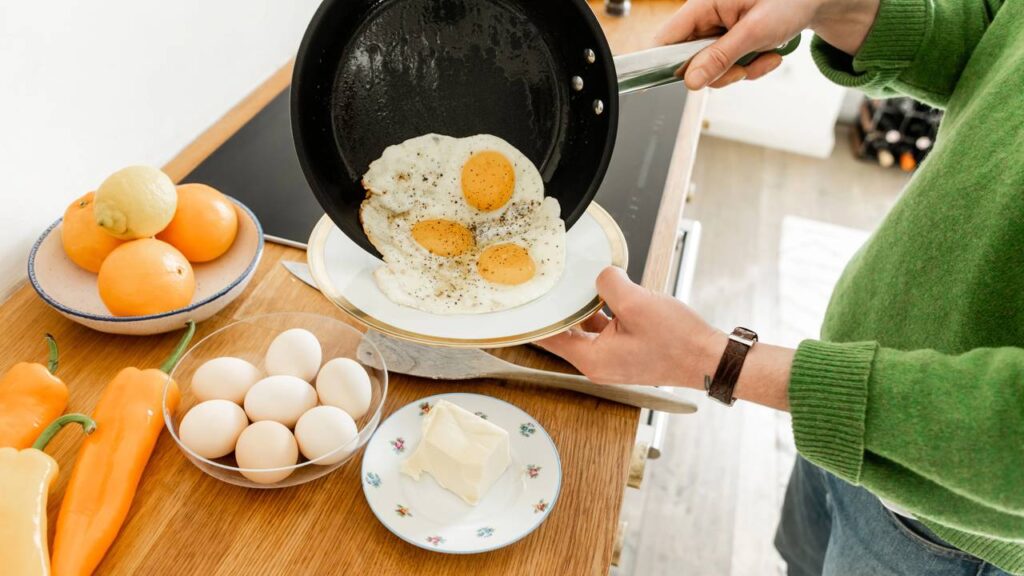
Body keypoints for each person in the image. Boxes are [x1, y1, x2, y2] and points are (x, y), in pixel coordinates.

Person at [538, 0, 1024, 573]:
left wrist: (717, 360)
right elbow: (1000, 45)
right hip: (842, 392)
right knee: (798, 560)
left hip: (957, 518)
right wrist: (833, 8)